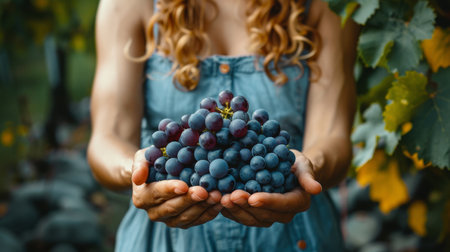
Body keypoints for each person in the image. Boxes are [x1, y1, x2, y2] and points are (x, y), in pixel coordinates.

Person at [88, 0, 358, 251]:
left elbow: (333, 135)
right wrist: (136, 169)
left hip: (294, 235)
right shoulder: (128, 4)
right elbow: (106, 138)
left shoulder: (327, 4)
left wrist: (309, 167)